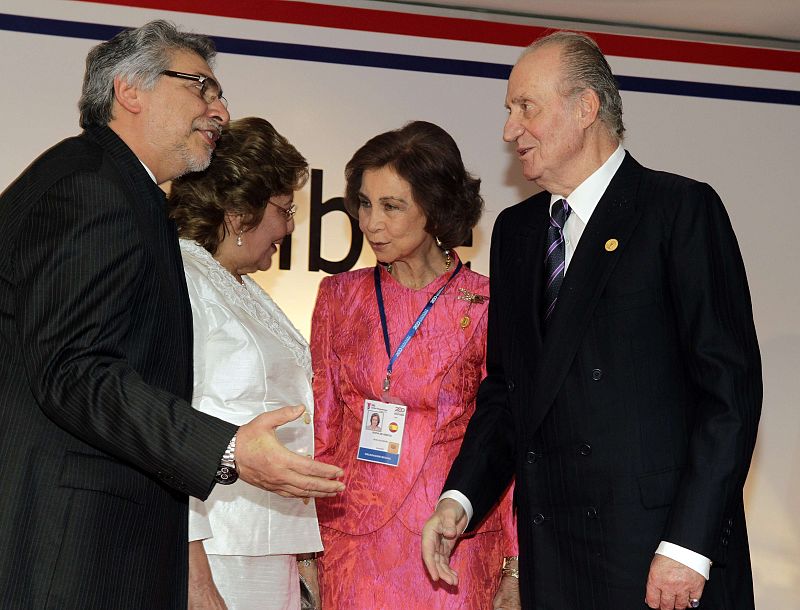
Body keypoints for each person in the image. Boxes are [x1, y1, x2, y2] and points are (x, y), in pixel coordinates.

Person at [0, 21, 342, 609]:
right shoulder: (93, 188)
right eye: (202, 87)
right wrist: (228, 449)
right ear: (130, 91)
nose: (220, 109)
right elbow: (75, 373)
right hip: (72, 548)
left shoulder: (118, 189)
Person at [422, 31, 762, 610]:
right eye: (509, 111)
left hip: (659, 559)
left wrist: (687, 546)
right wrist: (461, 496)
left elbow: (728, 395)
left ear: (585, 109)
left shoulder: (678, 211)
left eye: (525, 107)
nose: (509, 131)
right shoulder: (517, 233)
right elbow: (508, 391)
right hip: (557, 559)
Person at [311, 121, 519, 609]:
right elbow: (322, 434)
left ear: (436, 208)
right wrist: (305, 550)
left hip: (453, 541)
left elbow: (507, 440)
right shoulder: (339, 296)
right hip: (353, 543)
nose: (370, 222)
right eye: (364, 203)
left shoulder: (488, 304)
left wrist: (515, 565)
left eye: (391, 206)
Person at [168, 116, 323, 609]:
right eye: (283, 208)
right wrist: (196, 582)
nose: (291, 226)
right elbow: (169, 431)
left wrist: (300, 555)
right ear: (238, 212)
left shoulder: (237, 284)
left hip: (264, 548)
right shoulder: (184, 280)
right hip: (219, 552)